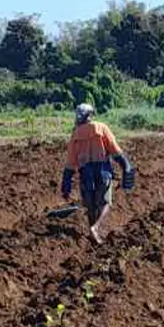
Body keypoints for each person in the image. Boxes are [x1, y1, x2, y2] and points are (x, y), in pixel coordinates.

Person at [60, 103, 135, 244]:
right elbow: (115, 150)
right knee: (105, 202)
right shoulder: (101, 127)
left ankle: (91, 230)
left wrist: (66, 186)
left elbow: (70, 163)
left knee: (90, 205)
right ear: (91, 115)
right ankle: (96, 227)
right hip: (103, 171)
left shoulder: (75, 134)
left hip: (85, 174)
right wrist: (125, 166)